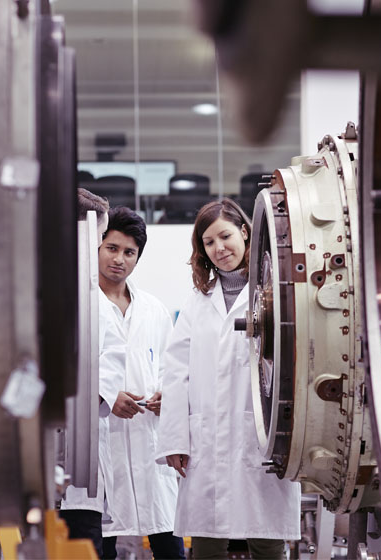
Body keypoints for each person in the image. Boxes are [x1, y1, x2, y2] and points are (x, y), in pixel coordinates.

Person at [155, 198, 301, 560]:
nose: (219, 248)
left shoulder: (277, 292)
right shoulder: (198, 302)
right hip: (209, 436)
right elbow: (176, 372)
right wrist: (175, 439)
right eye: (209, 242)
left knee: (266, 536)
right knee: (207, 538)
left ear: (245, 232)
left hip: (263, 432)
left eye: (225, 236)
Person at [98, 206, 185, 560]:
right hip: (103, 443)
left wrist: (169, 395)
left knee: (169, 545)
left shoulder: (153, 309)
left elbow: (172, 367)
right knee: (100, 546)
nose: (120, 259)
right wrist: (105, 397)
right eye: (112, 248)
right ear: (97, 248)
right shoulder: (81, 304)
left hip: (150, 442)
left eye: (129, 252)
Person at [59, 188, 111, 558]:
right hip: (35, 463)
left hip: (80, 468)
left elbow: (108, 366)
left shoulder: (97, 303)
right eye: (95, 238)